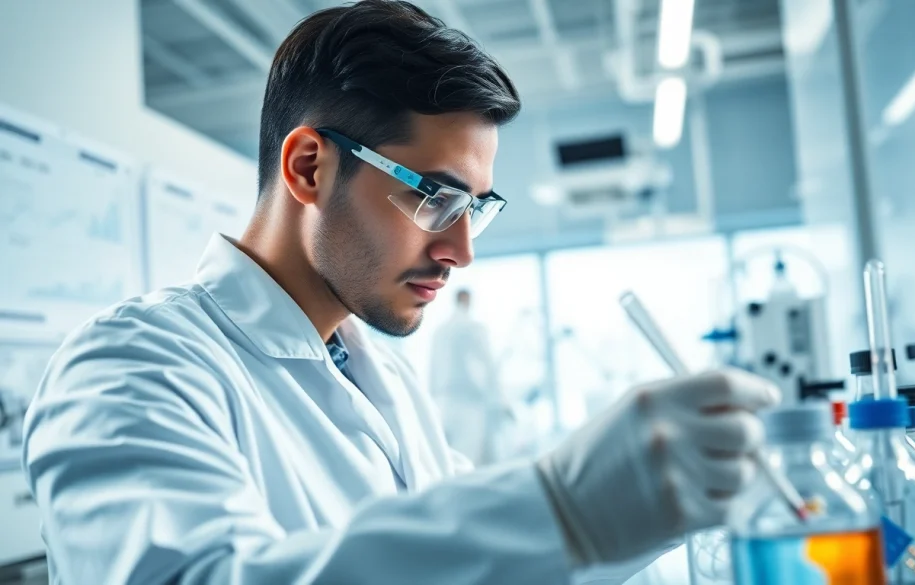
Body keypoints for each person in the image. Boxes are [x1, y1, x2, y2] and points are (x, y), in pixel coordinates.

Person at [20, 2, 780, 584]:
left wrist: (654, 507)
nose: (461, 250)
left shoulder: (380, 378)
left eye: (473, 207)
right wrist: (562, 510)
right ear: (310, 167)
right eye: (435, 199)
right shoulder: (129, 369)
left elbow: (477, 561)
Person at [430, 289, 505, 465]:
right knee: (467, 459)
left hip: (443, 402)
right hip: (470, 402)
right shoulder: (473, 328)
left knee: (449, 458)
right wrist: (499, 399)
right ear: (467, 301)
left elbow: (433, 368)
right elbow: (488, 365)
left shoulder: (440, 330)